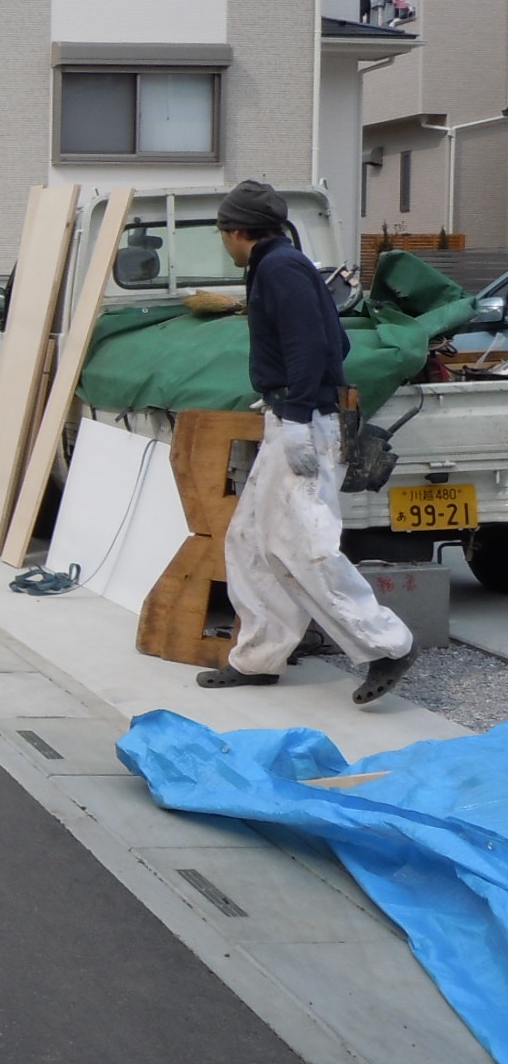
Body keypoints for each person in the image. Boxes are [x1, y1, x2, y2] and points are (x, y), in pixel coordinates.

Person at [198, 179, 416, 702]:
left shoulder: (279, 270)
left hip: (304, 425)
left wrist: (295, 413)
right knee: (249, 542)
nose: (223, 241)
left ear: (235, 232)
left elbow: (313, 345)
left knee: (308, 548)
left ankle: (389, 646)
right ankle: (259, 658)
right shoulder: (283, 265)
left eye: (222, 232)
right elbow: (336, 339)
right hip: (296, 418)